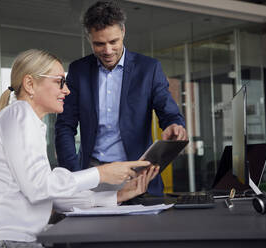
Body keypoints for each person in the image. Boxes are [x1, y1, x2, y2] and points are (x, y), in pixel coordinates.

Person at [0, 49, 157, 248]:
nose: (67, 90)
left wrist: (117, 196)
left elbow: (51, 194)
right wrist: (101, 174)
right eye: (60, 82)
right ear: (30, 84)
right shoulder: (20, 114)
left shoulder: (27, 122)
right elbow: (40, 187)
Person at [55, 1, 187, 196]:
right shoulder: (78, 70)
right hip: (93, 176)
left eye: (113, 42)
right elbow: (65, 125)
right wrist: (74, 175)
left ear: (123, 32)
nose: (107, 51)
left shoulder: (148, 69)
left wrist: (174, 124)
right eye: (99, 44)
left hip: (137, 174)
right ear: (89, 38)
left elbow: (168, 113)